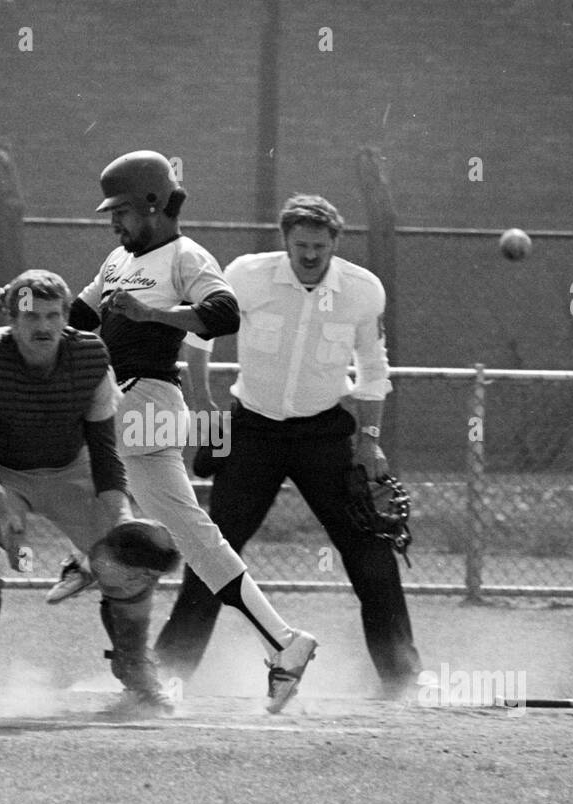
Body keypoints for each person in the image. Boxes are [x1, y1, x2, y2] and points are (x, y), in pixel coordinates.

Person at [63, 149, 320, 714]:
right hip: (122, 399)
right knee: (195, 538)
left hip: (147, 398)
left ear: (154, 205)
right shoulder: (115, 261)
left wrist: (153, 315)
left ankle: (96, 554)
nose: (114, 221)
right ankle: (284, 643)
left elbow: (224, 313)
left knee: (70, 467)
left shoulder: (186, 256)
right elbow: (78, 322)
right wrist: (27, 310)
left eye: (123, 211)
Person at [153, 194, 425, 697]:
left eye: (320, 246)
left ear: (335, 244)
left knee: (370, 551)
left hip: (325, 431)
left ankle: (402, 677)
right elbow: (197, 339)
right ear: (285, 240)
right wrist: (203, 405)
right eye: (301, 245)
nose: (310, 255)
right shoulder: (247, 275)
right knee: (214, 552)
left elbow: (372, 369)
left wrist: (369, 441)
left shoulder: (362, 291)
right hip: (254, 428)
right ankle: (168, 671)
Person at [0, 269, 175, 720]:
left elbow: (104, 452)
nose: (41, 327)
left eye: (51, 315)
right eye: (30, 317)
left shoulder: (89, 359)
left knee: (127, 563)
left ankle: (136, 676)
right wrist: (2, 514)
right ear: (12, 320)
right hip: (3, 473)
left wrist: (116, 526)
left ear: (67, 316)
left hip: (72, 469)